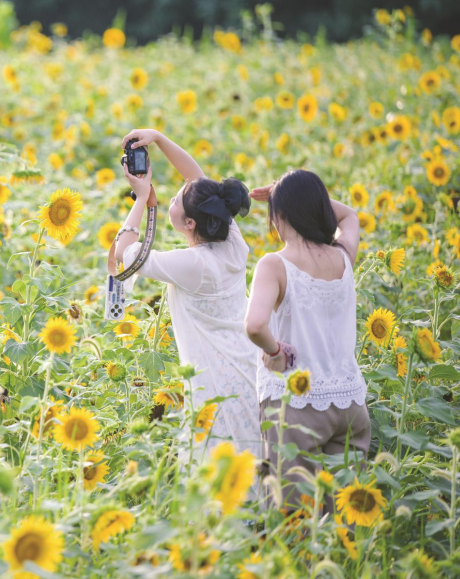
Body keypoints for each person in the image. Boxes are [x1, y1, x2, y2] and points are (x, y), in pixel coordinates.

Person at [114, 128, 260, 456]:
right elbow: (197, 178)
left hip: (214, 386)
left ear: (190, 224)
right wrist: (159, 138)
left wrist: (141, 197)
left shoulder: (193, 265)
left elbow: (124, 254)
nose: (175, 193)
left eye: (178, 197)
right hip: (250, 367)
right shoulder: (231, 239)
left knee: (213, 472)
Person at [244, 169, 369, 510]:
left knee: (295, 520)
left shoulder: (274, 265)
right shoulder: (343, 257)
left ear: (279, 216)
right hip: (349, 404)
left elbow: (255, 324)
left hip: (296, 407)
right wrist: (289, 194)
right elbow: (349, 215)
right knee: (345, 513)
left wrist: (276, 350)